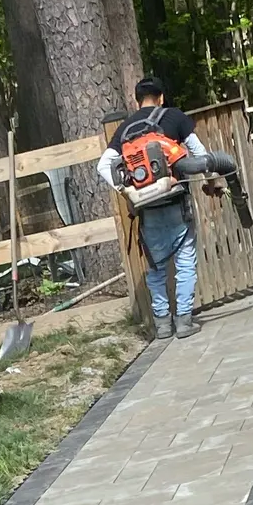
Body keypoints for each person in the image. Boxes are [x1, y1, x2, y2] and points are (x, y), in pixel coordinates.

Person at [97, 76, 241, 340]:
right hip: (176, 203)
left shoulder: (125, 128)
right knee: (185, 263)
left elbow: (102, 166)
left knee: (156, 267)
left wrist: (128, 191)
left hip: (147, 209)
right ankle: (184, 322)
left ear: (136, 100)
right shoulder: (174, 117)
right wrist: (212, 182)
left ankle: (163, 325)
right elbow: (199, 153)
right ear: (161, 97)